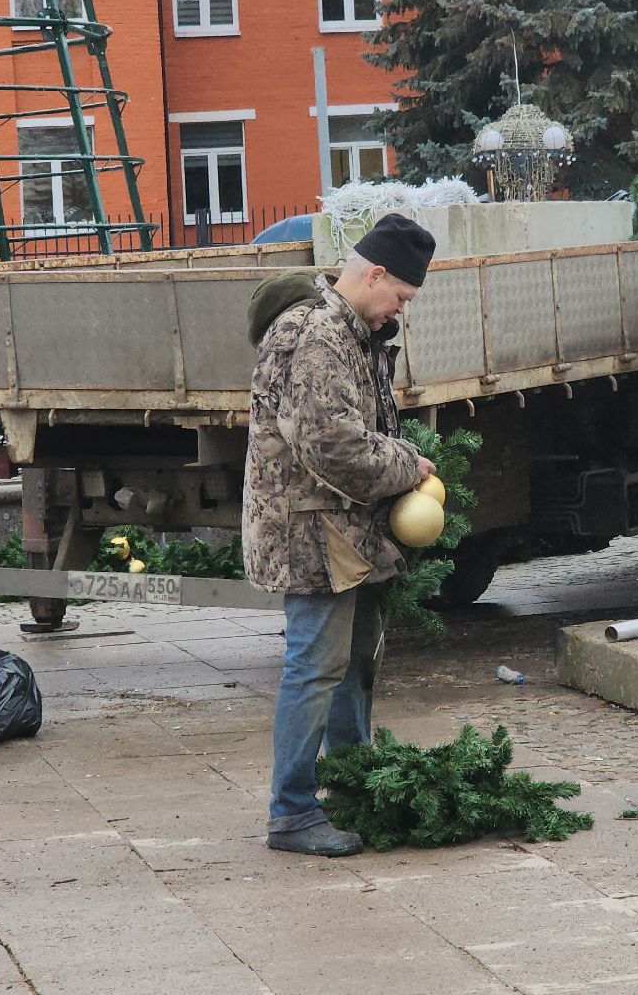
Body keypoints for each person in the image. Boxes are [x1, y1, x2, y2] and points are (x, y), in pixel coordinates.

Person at [243, 214, 438, 856]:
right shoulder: (317, 335)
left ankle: (352, 785)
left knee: (352, 664)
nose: (399, 313)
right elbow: (331, 444)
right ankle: (292, 812)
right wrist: (409, 466)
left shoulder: (354, 333)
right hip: (309, 532)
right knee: (315, 666)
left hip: (344, 529)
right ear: (374, 273)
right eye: (401, 298)